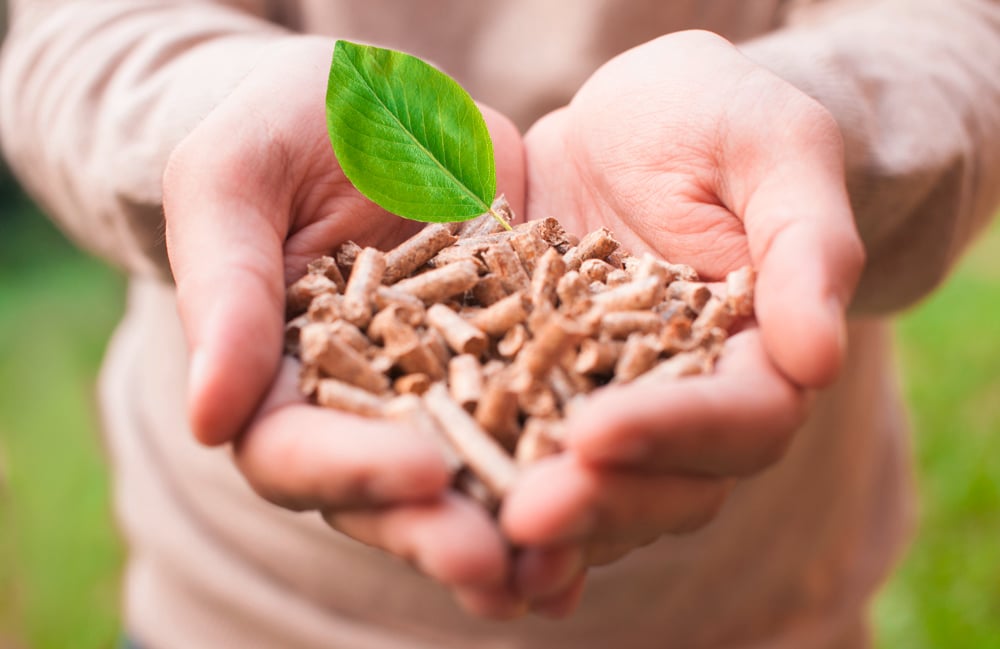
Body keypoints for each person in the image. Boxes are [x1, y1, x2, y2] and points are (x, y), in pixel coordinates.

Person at [2, 1, 999, 647]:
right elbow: (79, 31)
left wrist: (805, 123)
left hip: (752, 606)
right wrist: (215, 122)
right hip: (245, 610)